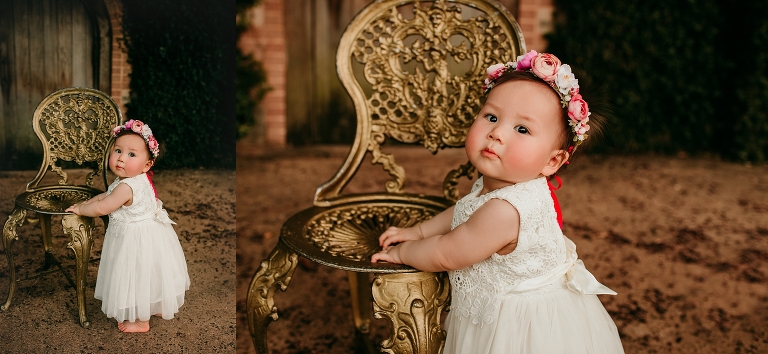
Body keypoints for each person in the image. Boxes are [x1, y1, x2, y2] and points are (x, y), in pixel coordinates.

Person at [371, 51, 624, 353]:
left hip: (518, 330)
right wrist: (420, 231)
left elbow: (447, 253)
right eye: (491, 117)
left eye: (522, 129)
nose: (496, 133)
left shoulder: (506, 212)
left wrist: (404, 253)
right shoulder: (502, 186)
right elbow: (466, 209)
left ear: (553, 161)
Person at [66, 119, 190, 333]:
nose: (121, 158)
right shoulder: (135, 179)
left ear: (147, 164)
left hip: (135, 242)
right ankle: (158, 304)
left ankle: (141, 321)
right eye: (118, 151)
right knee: (153, 273)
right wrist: (88, 201)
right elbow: (107, 195)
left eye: (131, 154)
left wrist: (81, 210)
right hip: (153, 237)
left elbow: (102, 208)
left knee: (137, 278)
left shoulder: (126, 187)